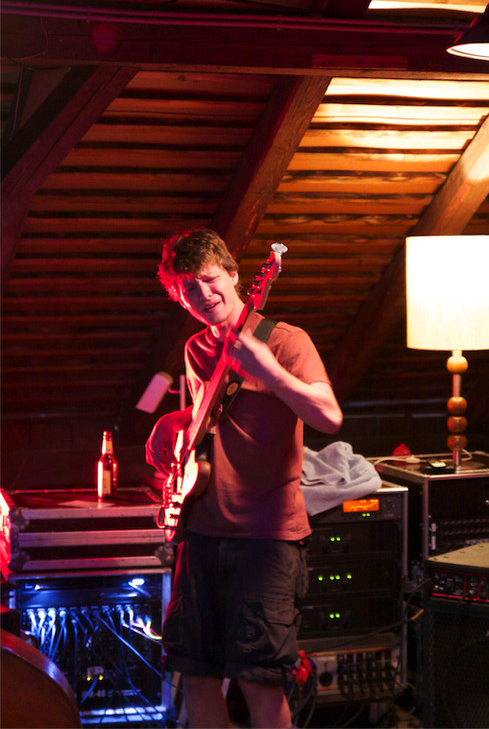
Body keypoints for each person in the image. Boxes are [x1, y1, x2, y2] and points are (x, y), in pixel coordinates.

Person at [145, 228, 342, 729]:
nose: (203, 294)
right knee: (195, 674)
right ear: (178, 297)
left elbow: (329, 416)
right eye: (188, 288)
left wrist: (271, 371)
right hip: (201, 531)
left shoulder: (285, 340)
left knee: (258, 680)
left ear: (234, 275)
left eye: (210, 279)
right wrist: (172, 420)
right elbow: (212, 415)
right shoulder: (195, 348)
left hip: (266, 538)